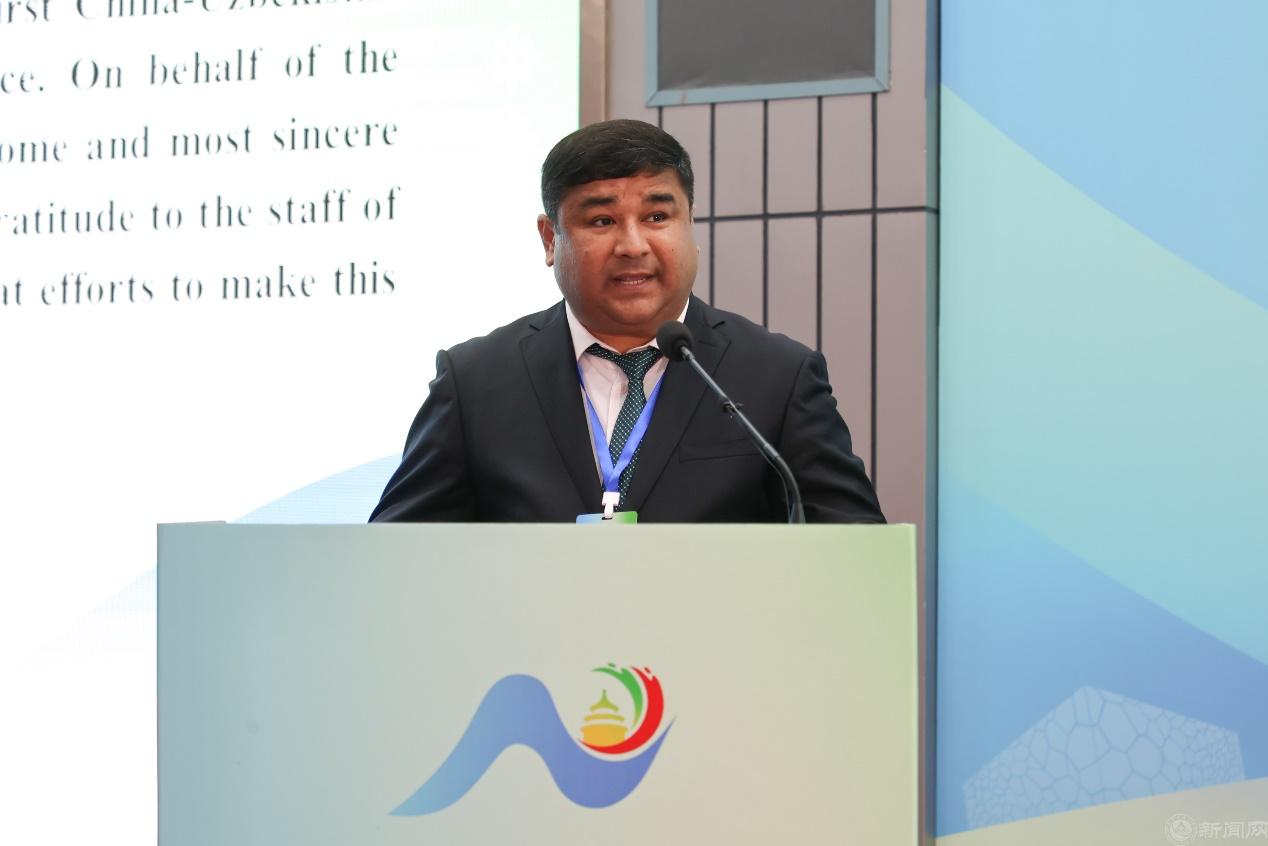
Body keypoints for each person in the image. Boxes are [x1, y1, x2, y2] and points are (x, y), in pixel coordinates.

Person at [369, 119, 883, 523]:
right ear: (550, 240)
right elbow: (394, 559)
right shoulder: (475, 381)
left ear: (690, 224)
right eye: (602, 221)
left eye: (657, 217)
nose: (633, 245)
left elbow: (855, 552)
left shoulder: (777, 376)